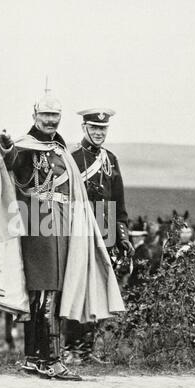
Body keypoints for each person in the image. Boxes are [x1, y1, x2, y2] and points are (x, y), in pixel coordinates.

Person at [0, 94, 126, 381]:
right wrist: (5, 146)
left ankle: (33, 358)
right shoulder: (25, 146)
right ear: (35, 116)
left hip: (61, 221)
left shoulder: (59, 148)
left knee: (42, 293)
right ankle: (50, 360)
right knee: (47, 291)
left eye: (55, 115)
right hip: (38, 219)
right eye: (46, 115)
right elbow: (13, 160)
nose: (51, 120)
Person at [64, 108, 134, 364]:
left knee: (98, 291)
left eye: (102, 129)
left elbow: (119, 202)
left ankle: (87, 349)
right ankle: (70, 349)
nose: (98, 133)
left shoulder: (110, 159)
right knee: (76, 289)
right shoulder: (71, 157)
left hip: (104, 232)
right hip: (78, 231)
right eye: (94, 128)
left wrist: (123, 235)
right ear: (84, 128)